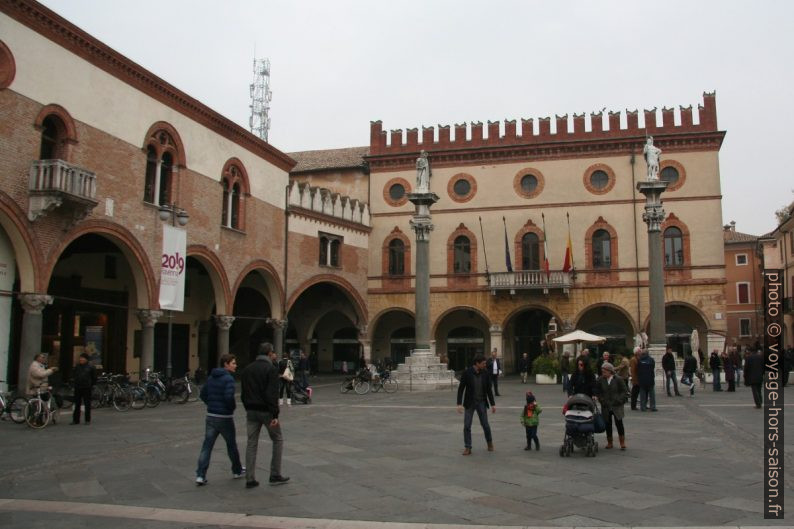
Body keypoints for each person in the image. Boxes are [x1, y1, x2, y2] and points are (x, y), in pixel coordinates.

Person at [241, 342, 289, 488]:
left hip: (251, 411)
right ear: (269, 353)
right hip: (266, 411)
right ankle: (275, 474)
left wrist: (248, 406)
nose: (275, 355)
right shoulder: (270, 369)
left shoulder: (248, 369)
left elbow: (243, 393)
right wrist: (275, 414)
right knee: (278, 439)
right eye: (273, 353)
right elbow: (271, 394)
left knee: (251, 443)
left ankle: (250, 478)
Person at [195, 353, 244, 486]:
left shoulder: (211, 377)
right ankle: (237, 470)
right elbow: (229, 398)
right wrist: (231, 408)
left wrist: (211, 405)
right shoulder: (228, 379)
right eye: (233, 363)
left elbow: (203, 394)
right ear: (226, 364)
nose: (236, 365)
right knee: (231, 445)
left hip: (211, 416)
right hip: (224, 417)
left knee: (207, 446)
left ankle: (200, 475)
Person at [456, 353, 496, 455]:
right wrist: (459, 403)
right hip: (470, 403)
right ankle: (468, 447)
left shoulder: (485, 373)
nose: (484, 365)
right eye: (483, 363)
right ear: (477, 363)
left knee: (485, 424)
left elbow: (489, 390)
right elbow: (461, 389)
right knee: (467, 425)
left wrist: (493, 404)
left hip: (482, 402)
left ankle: (489, 442)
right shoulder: (467, 373)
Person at [594, 362, 628, 450]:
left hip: (617, 406)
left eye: (604, 371)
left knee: (619, 424)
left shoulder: (618, 379)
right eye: (602, 371)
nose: (603, 373)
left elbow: (624, 391)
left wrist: (619, 400)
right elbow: (598, 392)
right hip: (606, 405)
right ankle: (610, 442)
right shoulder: (600, 380)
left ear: (610, 371)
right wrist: (601, 400)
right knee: (608, 424)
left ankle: (622, 442)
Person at [71, 352, 96, 425]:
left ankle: (87, 420)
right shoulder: (77, 366)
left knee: (87, 404)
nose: (81, 359)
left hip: (87, 387)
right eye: (80, 358)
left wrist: (92, 385)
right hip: (78, 387)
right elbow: (74, 376)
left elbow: (94, 377)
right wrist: (73, 384)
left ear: (86, 359)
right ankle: (75, 420)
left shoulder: (91, 367)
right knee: (77, 404)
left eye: (83, 358)